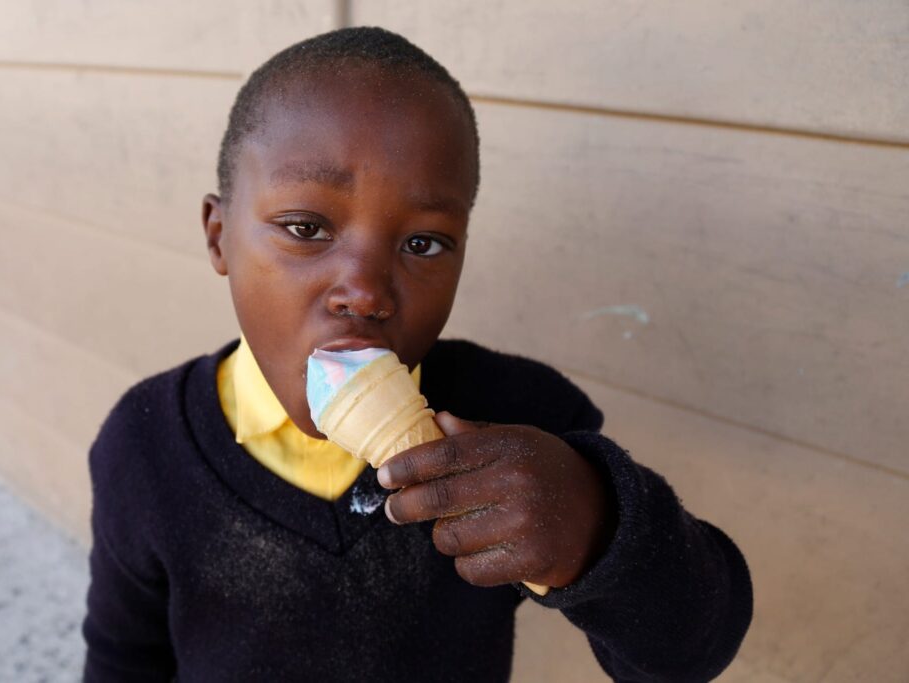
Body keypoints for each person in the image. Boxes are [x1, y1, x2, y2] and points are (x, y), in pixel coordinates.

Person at [82, 26, 752, 682]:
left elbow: (685, 654)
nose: (365, 291)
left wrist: (597, 528)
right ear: (219, 236)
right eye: (306, 228)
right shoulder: (144, 444)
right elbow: (122, 658)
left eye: (423, 244)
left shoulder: (522, 421)